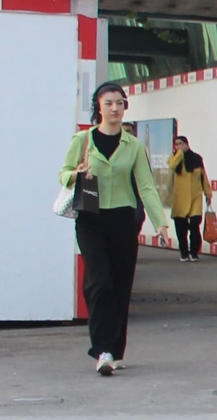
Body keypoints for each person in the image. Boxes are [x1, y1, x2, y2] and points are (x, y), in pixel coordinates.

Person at [58, 81, 168, 375]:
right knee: (100, 281)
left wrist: (160, 223)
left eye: (119, 103)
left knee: (120, 285)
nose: (115, 108)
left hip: (122, 218)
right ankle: (102, 349)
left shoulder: (133, 146)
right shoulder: (83, 140)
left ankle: (116, 350)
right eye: (109, 103)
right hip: (91, 217)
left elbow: (146, 185)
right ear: (98, 107)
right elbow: (63, 174)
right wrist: (75, 175)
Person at [166, 132, 209, 261]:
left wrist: (208, 193)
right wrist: (180, 154)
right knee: (181, 228)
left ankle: (194, 252)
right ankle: (184, 252)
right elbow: (172, 166)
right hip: (180, 198)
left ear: (187, 144)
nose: (179, 146)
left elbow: (203, 177)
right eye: (176, 144)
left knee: (195, 226)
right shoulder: (173, 158)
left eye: (181, 144)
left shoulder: (196, 159)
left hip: (195, 197)